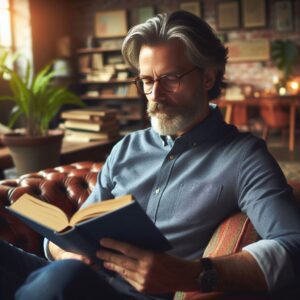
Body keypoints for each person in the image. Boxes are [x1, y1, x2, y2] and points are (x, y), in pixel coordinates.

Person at [1, 10, 300, 300]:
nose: (155, 95)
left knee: (61, 278)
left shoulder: (243, 157)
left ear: (208, 77)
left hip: (126, 293)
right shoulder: (126, 148)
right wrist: (65, 252)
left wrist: (193, 273)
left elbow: (293, 245)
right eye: (146, 81)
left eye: (170, 78)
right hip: (75, 274)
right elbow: (73, 232)